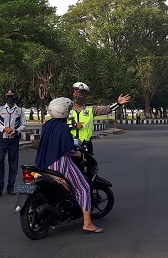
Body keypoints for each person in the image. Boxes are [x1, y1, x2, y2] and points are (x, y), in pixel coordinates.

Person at [35, 97, 103, 234]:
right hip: (59, 163)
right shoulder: (63, 127)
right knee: (84, 188)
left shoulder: (47, 125)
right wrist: (76, 153)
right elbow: (68, 148)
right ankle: (87, 224)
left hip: (43, 163)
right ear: (64, 111)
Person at [69, 82, 131, 154]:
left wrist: (118, 103)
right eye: (76, 94)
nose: (78, 96)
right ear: (73, 94)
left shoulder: (91, 109)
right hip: (69, 144)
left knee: (90, 164)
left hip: (85, 145)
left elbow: (106, 109)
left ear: (85, 96)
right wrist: (74, 126)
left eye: (81, 95)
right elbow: (58, 125)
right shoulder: (65, 109)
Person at [0, 88, 27, 196]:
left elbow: (24, 124)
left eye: (12, 97)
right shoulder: (0, 109)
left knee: (13, 164)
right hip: (1, 139)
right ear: (5, 97)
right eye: (8, 97)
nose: (10, 99)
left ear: (15, 97)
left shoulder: (19, 110)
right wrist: (4, 128)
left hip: (14, 140)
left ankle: (10, 187)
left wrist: (16, 130)